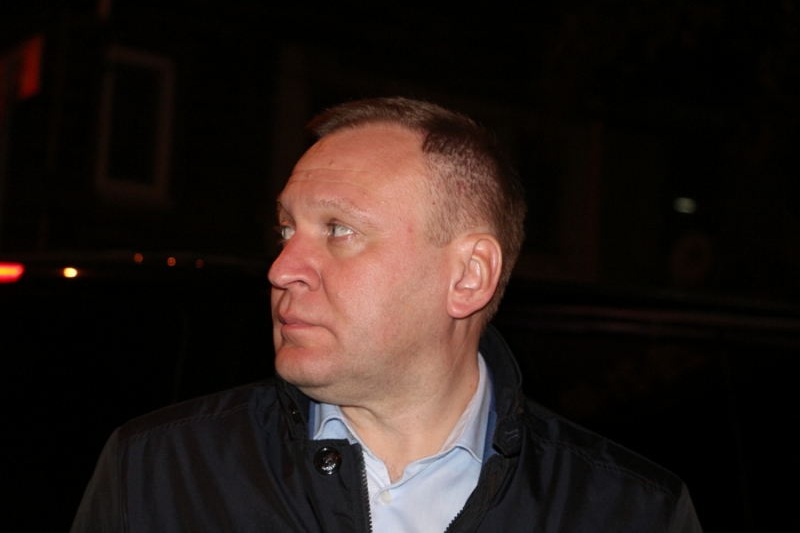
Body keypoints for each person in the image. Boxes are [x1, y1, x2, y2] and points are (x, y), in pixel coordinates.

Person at [71, 97, 702, 532]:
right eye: (287, 230)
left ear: (468, 276)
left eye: (339, 230)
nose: (282, 268)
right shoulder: (156, 473)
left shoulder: (632, 512)